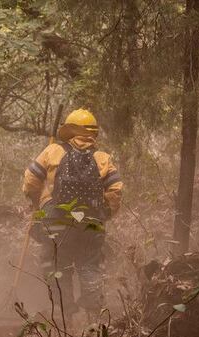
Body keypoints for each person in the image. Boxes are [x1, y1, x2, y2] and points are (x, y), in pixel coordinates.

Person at [22, 108, 123, 321]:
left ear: (68, 129)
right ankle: (94, 320)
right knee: (90, 264)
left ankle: (66, 318)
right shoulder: (103, 158)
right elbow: (115, 192)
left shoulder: (52, 151)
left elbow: (31, 179)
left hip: (57, 219)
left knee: (58, 266)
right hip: (91, 223)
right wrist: (103, 214)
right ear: (93, 132)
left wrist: (35, 200)